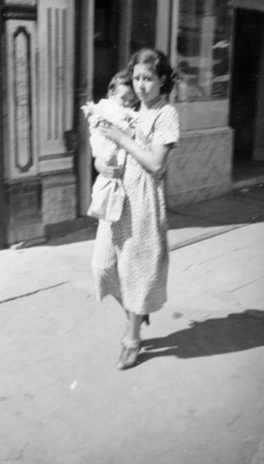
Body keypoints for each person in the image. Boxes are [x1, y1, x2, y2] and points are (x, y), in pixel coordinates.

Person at [91, 48, 180, 370]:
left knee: (136, 272)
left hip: (143, 201)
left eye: (149, 79)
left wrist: (121, 136)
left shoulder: (164, 114)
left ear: (162, 81)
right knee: (103, 267)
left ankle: (132, 339)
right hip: (117, 199)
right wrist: (101, 164)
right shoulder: (127, 108)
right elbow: (103, 152)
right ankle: (136, 314)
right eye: (138, 78)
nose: (141, 85)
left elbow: (156, 164)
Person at [82, 70, 139, 222]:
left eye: (131, 101)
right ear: (111, 93)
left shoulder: (125, 112)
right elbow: (117, 124)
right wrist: (129, 130)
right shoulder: (109, 107)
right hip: (106, 146)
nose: (127, 104)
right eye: (124, 99)